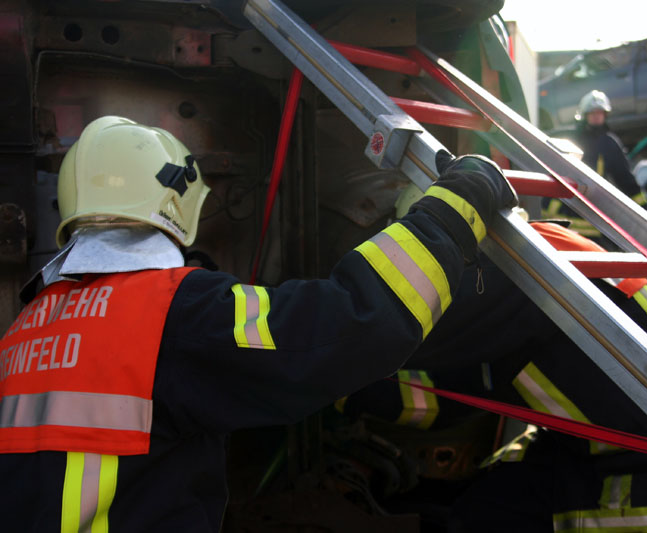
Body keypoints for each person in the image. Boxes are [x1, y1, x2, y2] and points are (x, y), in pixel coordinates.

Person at [0, 115, 517, 532]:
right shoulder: (172, 312)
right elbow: (354, 324)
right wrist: (452, 211)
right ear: (176, 202)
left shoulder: (25, 329)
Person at [337, 214, 647, 532]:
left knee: (478, 517)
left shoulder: (511, 285)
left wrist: (337, 387)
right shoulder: (547, 249)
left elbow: (445, 385)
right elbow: (469, 385)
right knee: (488, 488)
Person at [541, 89, 647, 243]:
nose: (597, 116)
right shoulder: (570, 139)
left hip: (590, 216)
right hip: (561, 212)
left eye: (600, 113)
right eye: (593, 113)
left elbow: (625, 179)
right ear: (584, 115)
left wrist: (645, 211)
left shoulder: (609, 144)